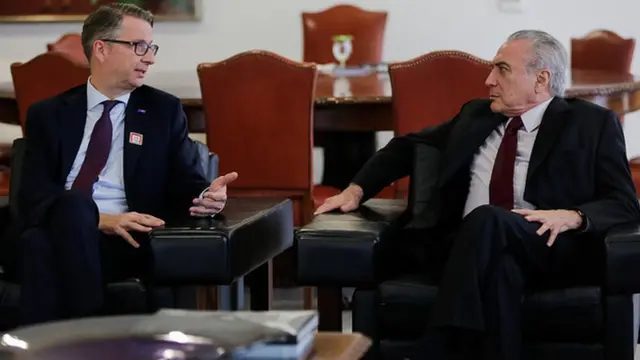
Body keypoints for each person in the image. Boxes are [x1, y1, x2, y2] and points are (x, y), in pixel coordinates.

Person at [315, 29, 640, 360]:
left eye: (502, 69)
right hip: (465, 246)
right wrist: (356, 189)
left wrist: (575, 216)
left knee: (487, 218)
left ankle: (438, 345)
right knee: (501, 269)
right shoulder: (476, 115)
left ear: (541, 80)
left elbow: (625, 203)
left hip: (547, 245)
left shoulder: (592, 124)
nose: (488, 80)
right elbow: (406, 147)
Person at [13, 3, 238, 325]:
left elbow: (186, 182)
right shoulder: (49, 114)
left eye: (151, 47)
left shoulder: (163, 111)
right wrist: (98, 218)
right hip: (66, 224)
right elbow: (33, 195)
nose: (150, 57)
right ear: (101, 49)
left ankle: (54, 346)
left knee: (38, 246)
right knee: (64, 216)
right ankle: (90, 338)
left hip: (126, 239)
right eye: (139, 47)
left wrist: (206, 197)